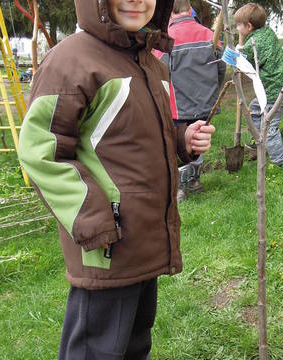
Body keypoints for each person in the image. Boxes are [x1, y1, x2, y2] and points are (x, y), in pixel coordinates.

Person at [17, 0, 215, 359]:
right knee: (98, 350)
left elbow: (135, 136)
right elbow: (41, 152)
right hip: (107, 246)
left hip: (144, 243)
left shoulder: (151, 64)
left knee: (135, 345)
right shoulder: (71, 62)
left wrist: (181, 139)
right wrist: (94, 219)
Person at [153, 0, 225, 202]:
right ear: (188, 8)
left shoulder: (166, 40)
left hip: (178, 107)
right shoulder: (211, 36)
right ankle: (193, 181)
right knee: (199, 140)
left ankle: (177, 187)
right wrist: (212, 94)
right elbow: (221, 69)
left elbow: (159, 72)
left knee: (174, 143)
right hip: (205, 104)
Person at [235, 3, 283, 168]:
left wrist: (234, 53)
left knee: (270, 126)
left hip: (273, 91)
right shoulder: (268, 33)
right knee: (254, 108)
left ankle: (279, 162)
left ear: (249, 26)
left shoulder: (253, 42)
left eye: (239, 25)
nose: (238, 29)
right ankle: (258, 138)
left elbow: (241, 63)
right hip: (279, 86)